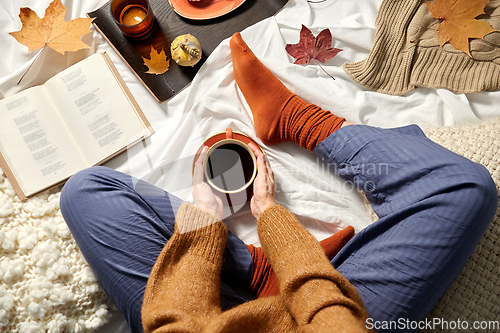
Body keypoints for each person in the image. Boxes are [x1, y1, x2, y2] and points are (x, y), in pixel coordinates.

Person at [60, 33, 498, 333]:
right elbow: (329, 316)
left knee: (85, 192)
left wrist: (207, 222)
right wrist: (272, 218)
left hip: (210, 322)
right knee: (464, 187)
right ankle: (296, 119)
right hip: (329, 321)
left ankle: (257, 271)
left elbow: (175, 318)